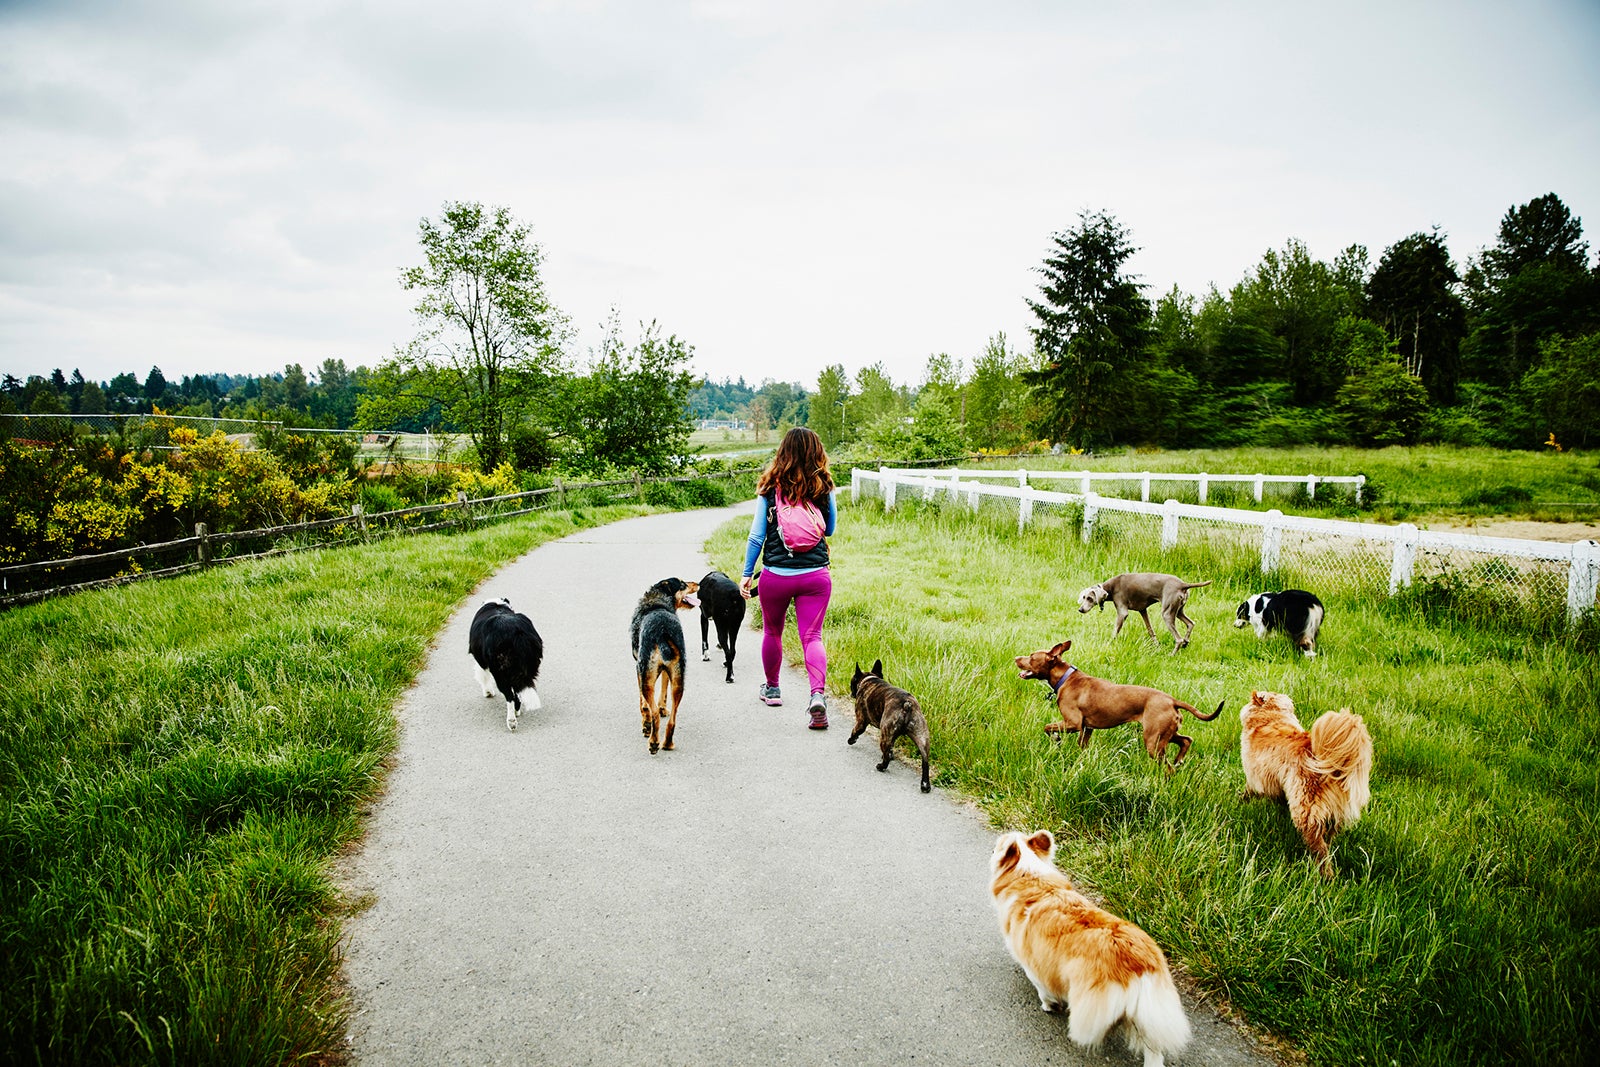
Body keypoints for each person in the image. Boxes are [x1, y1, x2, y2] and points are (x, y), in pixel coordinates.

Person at [739, 427, 837, 729]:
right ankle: (817, 696)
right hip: (815, 577)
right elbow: (830, 529)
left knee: (773, 632)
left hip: (776, 576)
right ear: (816, 452)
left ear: (783, 452)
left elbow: (757, 536)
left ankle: (772, 689)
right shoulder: (824, 486)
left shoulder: (770, 488)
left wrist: (746, 574)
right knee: (812, 637)